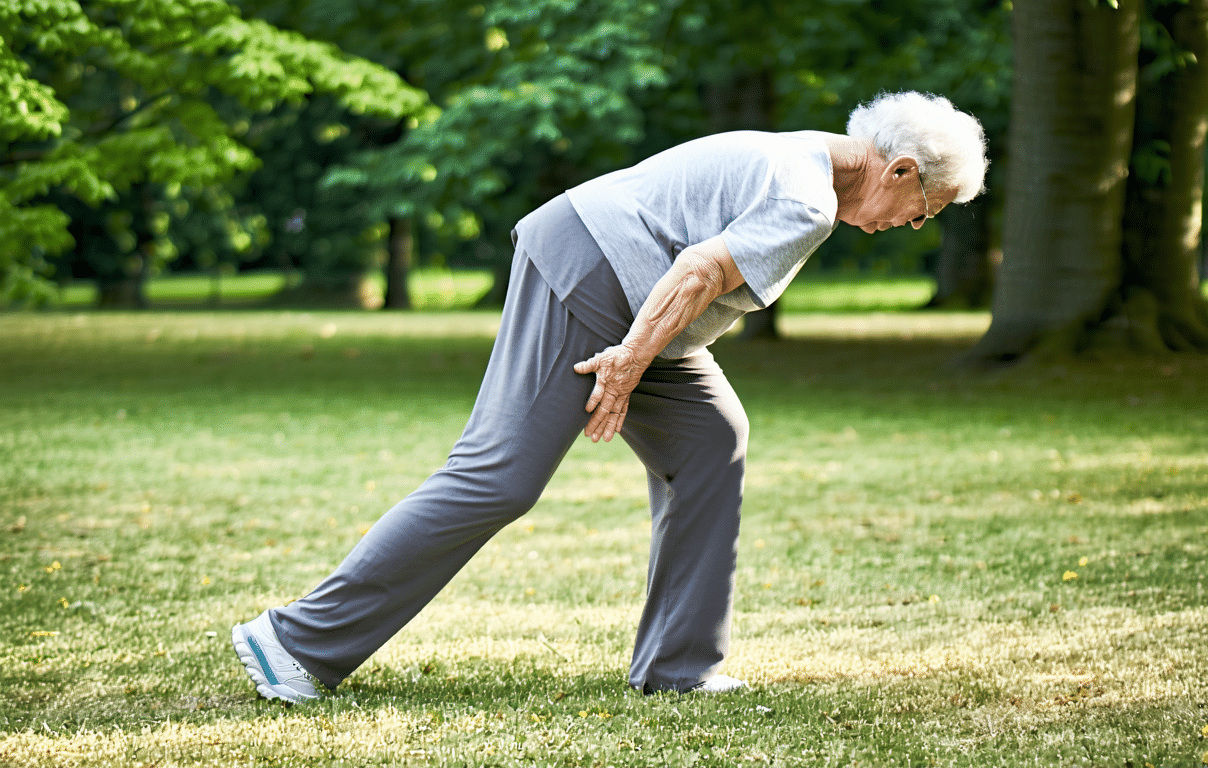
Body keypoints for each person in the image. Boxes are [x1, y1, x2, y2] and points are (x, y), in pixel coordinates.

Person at [231, 91, 988, 702]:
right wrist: (626, 364)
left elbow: (690, 274)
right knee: (500, 475)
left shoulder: (810, 156)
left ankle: (678, 667)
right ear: (900, 171)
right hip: (598, 273)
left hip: (642, 300)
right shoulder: (809, 200)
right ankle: (296, 640)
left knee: (710, 439)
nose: (913, 225)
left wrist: (641, 351)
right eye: (928, 209)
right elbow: (696, 271)